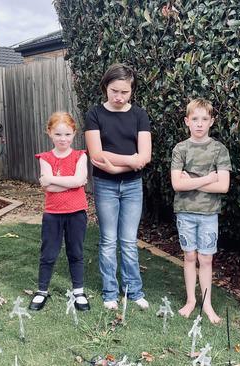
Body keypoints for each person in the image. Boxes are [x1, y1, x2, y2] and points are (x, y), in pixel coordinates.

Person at [85, 63, 151, 310]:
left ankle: (134, 291)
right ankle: (110, 293)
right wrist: (131, 160)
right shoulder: (95, 114)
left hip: (133, 186)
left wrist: (118, 167)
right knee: (109, 240)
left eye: (125, 92)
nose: (119, 97)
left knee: (129, 241)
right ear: (105, 88)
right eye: (114, 91)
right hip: (105, 187)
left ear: (131, 90)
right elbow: (97, 154)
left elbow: (145, 156)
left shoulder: (139, 115)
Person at [170, 98, 231, 324]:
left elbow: (223, 186)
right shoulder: (181, 149)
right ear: (187, 121)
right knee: (189, 256)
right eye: (194, 119)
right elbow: (177, 184)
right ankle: (190, 301)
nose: (199, 124)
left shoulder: (219, 150)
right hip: (185, 212)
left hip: (209, 214)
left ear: (211, 121)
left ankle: (206, 303)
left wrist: (191, 180)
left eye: (204, 119)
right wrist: (208, 178)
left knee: (206, 259)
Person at [28, 112, 90, 312]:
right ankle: (42, 291)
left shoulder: (80, 156)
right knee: (48, 253)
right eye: (58, 134)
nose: (63, 139)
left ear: (74, 134)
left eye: (67, 134)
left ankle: (78, 291)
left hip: (76, 212)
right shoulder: (45, 158)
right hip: (53, 214)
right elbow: (48, 187)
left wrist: (55, 180)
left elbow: (79, 179)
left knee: (76, 252)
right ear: (50, 133)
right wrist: (72, 183)